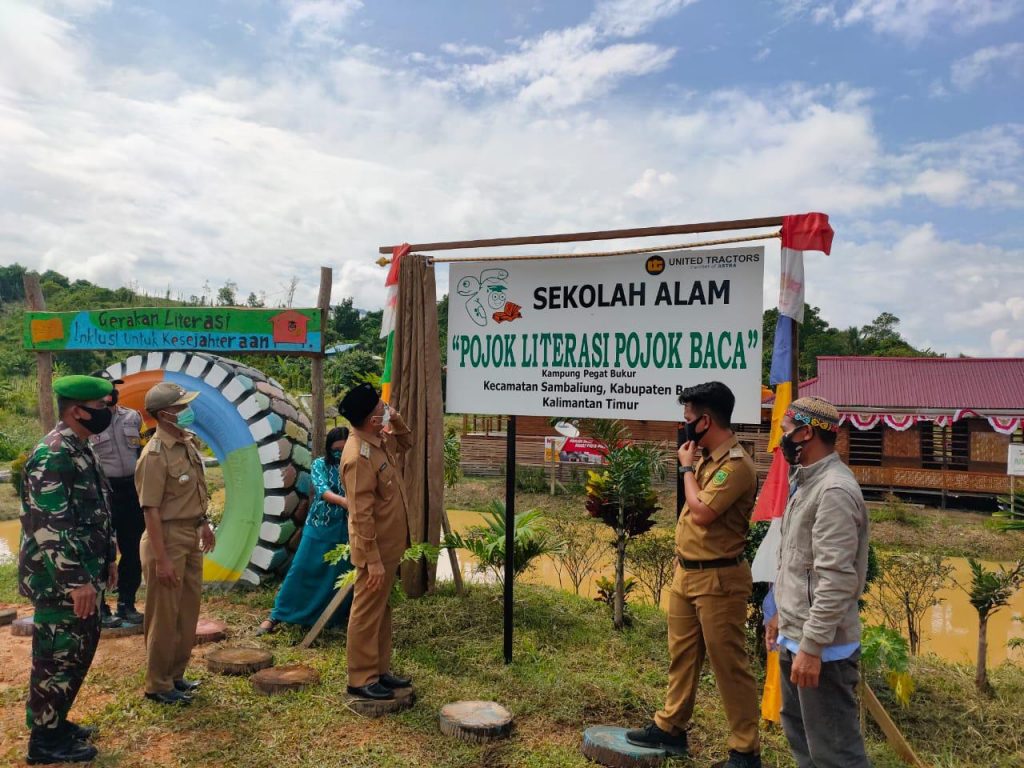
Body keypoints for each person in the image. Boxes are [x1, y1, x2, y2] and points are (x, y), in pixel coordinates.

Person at [627, 381, 762, 768]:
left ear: (705, 421)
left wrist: (685, 468)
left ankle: (745, 750)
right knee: (682, 656)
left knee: (728, 666)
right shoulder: (707, 457)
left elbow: (702, 511)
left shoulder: (735, 465)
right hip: (687, 573)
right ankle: (670, 728)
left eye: (688, 419)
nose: (684, 426)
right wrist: (692, 464)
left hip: (719, 581)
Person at [764, 396, 870, 768]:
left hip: (822, 650)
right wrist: (779, 611)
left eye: (786, 432)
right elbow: (795, 562)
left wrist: (811, 647)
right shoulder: (805, 483)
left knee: (835, 752)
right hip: (796, 635)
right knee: (802, 739)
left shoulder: (834, 491)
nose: (780, 441)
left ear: (807, 432)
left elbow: (837, 579)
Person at [19, 375, 118, 765]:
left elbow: (96, 512)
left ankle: (57, 722)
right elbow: (49, 526)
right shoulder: (53, 454)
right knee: (56, 659)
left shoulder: (81, 447)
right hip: (59, 581)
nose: (108, 412)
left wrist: (108, 558)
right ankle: (44, 742)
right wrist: (77, 581)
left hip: (85, 572)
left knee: (76, 653)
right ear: (78, 410)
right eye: (102, 406)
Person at [135, 382, 215, 706]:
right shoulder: (154, 455)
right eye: (180, 407)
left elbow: (192, 494)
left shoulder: (186, 444)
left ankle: (176, 676)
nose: (186, 412)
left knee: (187, 611)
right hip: (164, 538)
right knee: (163, 615)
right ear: (164, 414)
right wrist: (162, 558)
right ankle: (157, 684)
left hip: (189, 535)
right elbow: (150, 510)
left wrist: (204, 525)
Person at [338, 383, 413, 701]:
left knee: (381, 610)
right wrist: (372, 559)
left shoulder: (378, 441)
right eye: (381, 408)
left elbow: (406, 444)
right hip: (374, 550)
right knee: (367, 611)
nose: (386, 408)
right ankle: (361, 677)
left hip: (389, 545)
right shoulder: (359, 456)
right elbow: (360, 514)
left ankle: (379, 670)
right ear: (370, 420)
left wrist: (395, 420)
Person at [257, 427, 354, 634]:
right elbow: (323, 490)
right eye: (336, 449)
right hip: (319, 526)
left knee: (336, 575)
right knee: (300, 569)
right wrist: (345, 502)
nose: (340, 453)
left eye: (344, 449)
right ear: (329, 448)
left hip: (346, 529)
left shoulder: (356, 465)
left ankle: (331, 619)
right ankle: (277, 615)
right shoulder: (320, 464)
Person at [89, 379, 145, 626]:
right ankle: (100, 607)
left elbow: (138, 451)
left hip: (131, 489)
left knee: (133, 548)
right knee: (101, 550)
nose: (111, 392)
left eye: (113, 386)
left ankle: (126, 603)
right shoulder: (90, 421)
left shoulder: (132, 417)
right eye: (105, 388)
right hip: (104, 490)